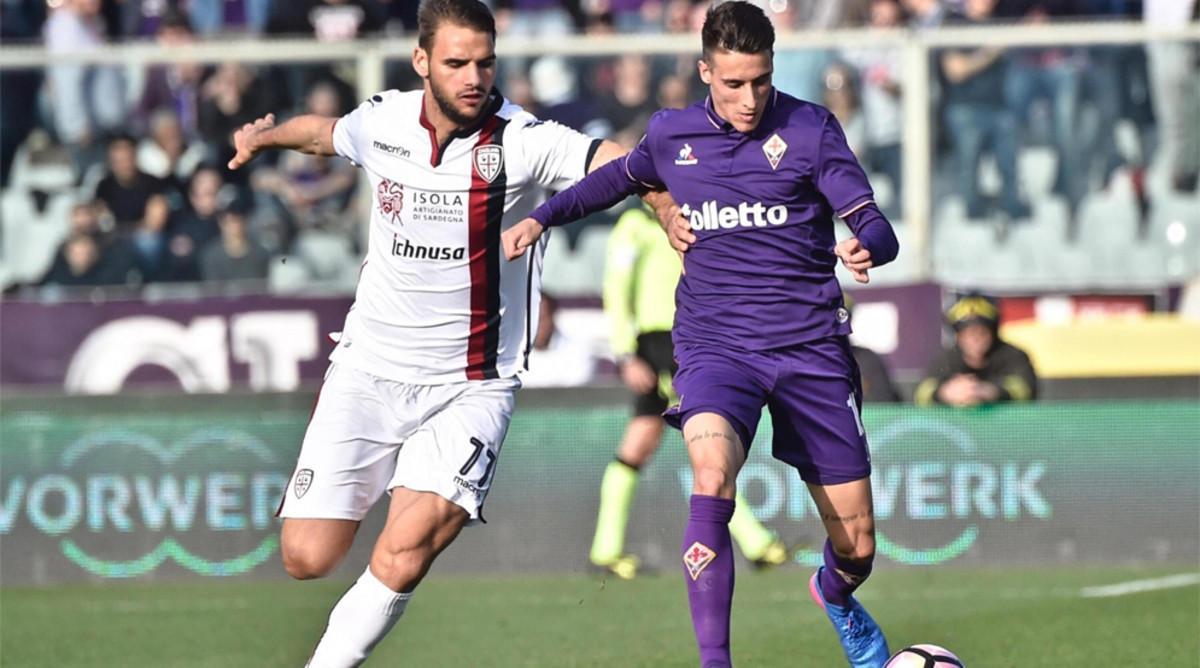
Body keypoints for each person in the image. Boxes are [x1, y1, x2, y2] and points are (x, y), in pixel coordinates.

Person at [226, 1, 670, 665]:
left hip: (470, 387)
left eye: (484, 63)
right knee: (306, 556)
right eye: (456, 63)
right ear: (421, 62)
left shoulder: (522, 141)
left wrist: (664, 199)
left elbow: (620, 163)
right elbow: (326, 132)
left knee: (403, 552)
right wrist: (266, 138)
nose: (473, 77)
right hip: (369, 371)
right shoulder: (384, 121)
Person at [502, 3, 897, 666]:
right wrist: (542, 219)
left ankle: (835, 595)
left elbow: (873, 221)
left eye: (761, 82)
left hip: (809, 349)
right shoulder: (672, 136)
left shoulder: (810, 129)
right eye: (734, 83)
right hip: (717, 347)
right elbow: (613, 179)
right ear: (704, 71)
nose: (749, 99)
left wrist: (868, 247)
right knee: (711, 478)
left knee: (857, 546)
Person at [590, 202, 791, 580]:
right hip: (661, 341)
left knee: (640, 442)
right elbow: (616, 289)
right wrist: (625, 353)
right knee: (707, 436)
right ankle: (757, 542)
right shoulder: (634, 226)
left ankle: (605, 549)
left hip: (692, 336)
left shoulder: (695, 214)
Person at [913, 295, 1038, 407]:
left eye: (981, 333)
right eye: (968, 335)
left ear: (992, 333)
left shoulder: (1012, 355)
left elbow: (1025, 389)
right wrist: (945, 392)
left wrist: (988, 391)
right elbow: (922, 393)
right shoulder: (947, 358)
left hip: (1004, 426)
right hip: (956, 428)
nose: (975, 340)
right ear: (958, 337)